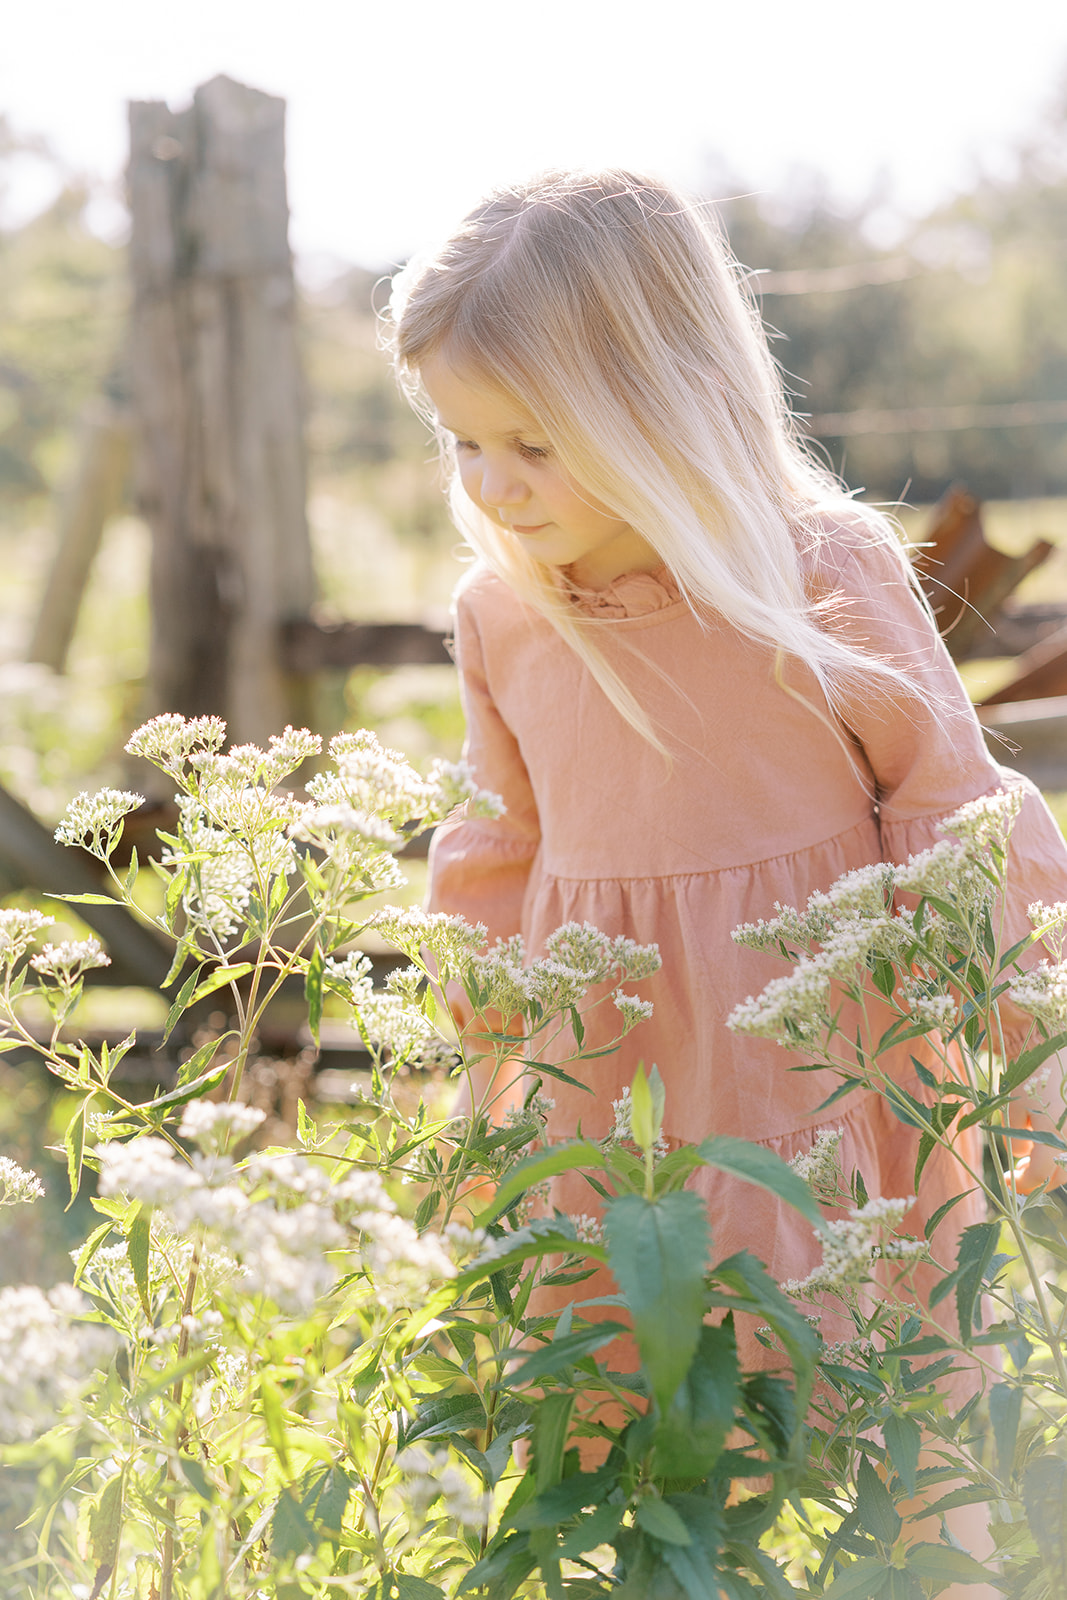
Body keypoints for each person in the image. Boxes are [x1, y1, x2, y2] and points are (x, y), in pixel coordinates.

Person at [384, 169, 1067, 1590]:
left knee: (886, 1393)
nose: (496, 485)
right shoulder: (504, 614)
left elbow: (951, 813)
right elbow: (497, 849)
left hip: (822, 1079)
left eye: (535, 443)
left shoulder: (818, 573)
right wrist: (471, 1079)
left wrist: (1029, 1045)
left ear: (664, 403)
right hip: (606, 1100)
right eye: (465, 445)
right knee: (622, 1421)